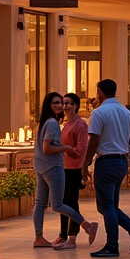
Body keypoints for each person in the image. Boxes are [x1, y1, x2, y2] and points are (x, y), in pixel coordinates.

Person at [81, 79, 130, 257]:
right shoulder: (126, 113)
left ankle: (113, 245)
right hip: (121, 161)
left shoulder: (99, 112)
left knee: (106, 207)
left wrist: (85, 162)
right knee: (111, 205)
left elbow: (94, 140)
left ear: (100, 92)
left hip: (107, 161)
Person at [33, 92, 98, 249]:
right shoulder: (53, 123)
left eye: (62, 102)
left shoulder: (46, 123)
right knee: (58, 204)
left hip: (43, 166)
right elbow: (47, 148)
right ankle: (86, 225)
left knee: (41, 203)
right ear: (48, 105)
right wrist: (67, 148)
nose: (61, 105)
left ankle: (40, 236)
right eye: (56, 103)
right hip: (53, 167)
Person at [53, 93, 91, 250]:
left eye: (68, 103)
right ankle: (63, 234)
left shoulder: (80, 125)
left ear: (76, 105)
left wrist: (65, 149)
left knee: (71, 202)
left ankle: (72, 236)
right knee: (63, 202)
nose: (65, 106)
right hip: (64, 167)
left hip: (74, 168)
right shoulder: (66, 124)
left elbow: (81, 149)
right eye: (64, 103)